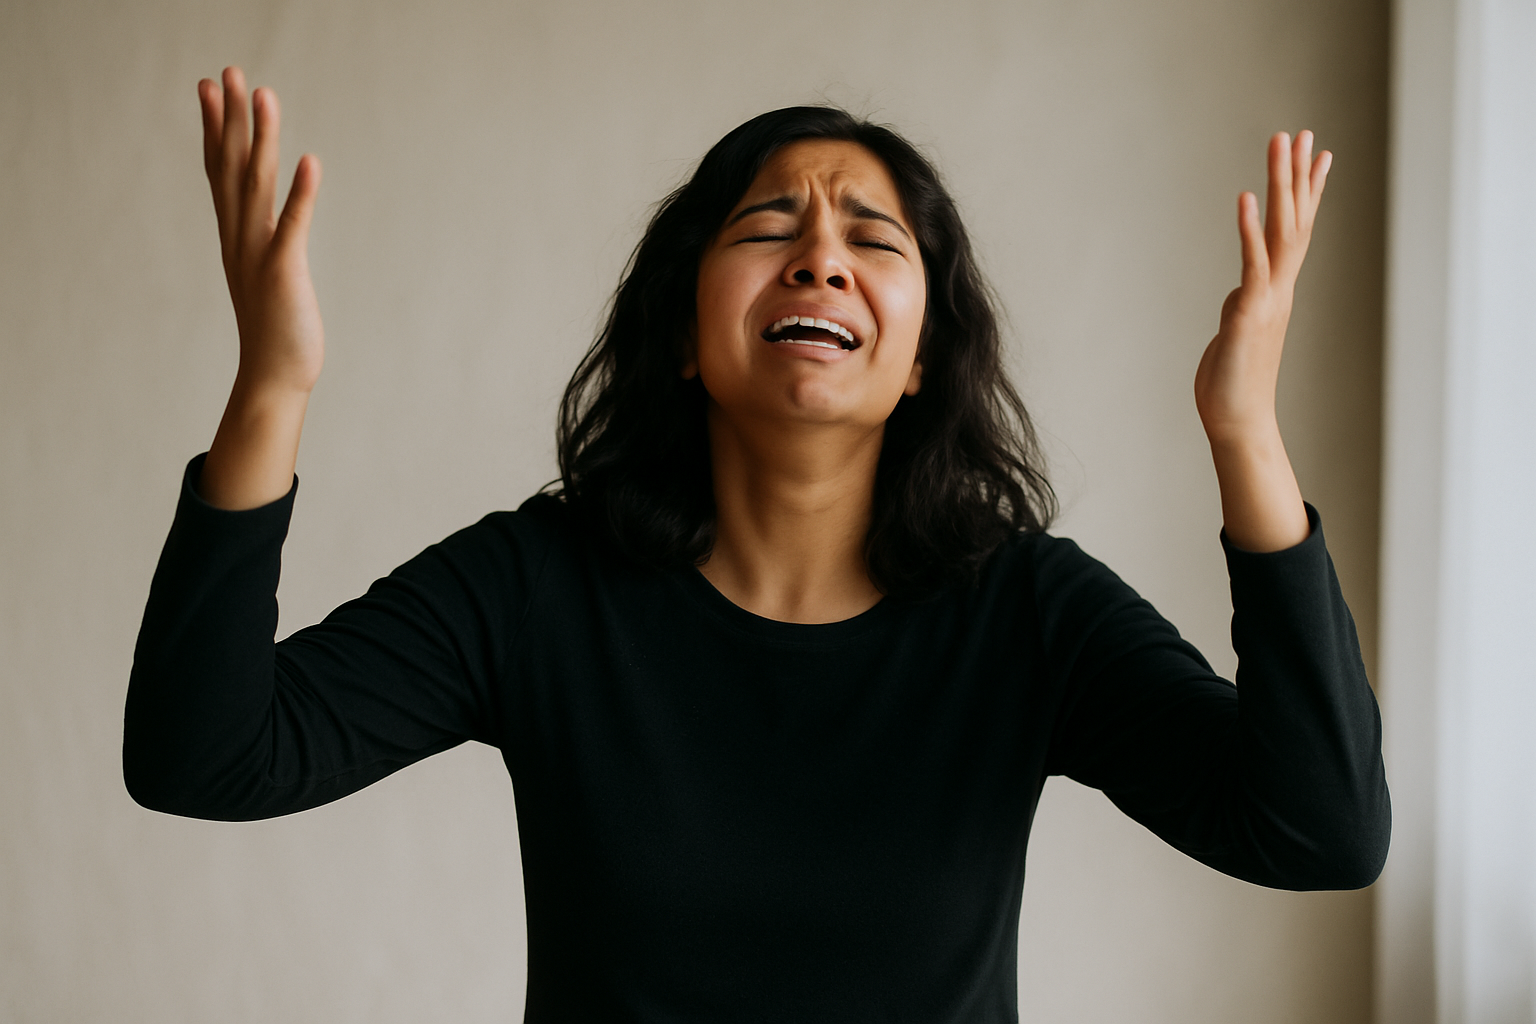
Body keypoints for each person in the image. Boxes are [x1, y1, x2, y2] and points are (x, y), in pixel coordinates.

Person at [124, 67, 1389, 1022]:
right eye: (768, 226)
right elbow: (205, 755)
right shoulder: (539, 584)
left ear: (921, 359)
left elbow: (1319, 829)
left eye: (872, 239)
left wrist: (1244, 435)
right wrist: (272, 388)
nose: (821, 259)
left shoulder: (1025, 609)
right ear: (685, 333)